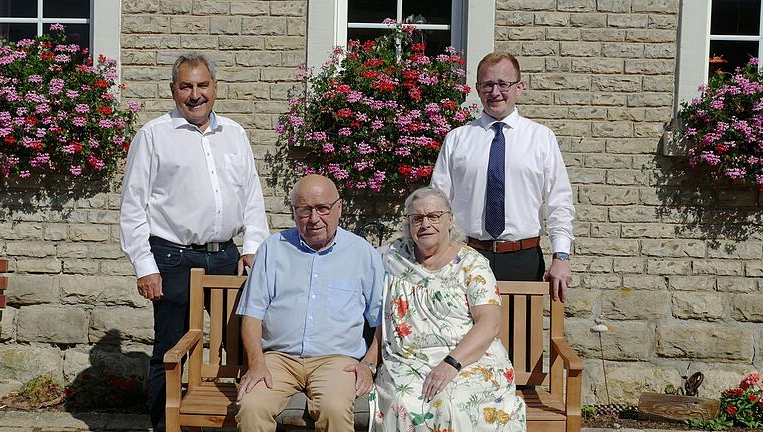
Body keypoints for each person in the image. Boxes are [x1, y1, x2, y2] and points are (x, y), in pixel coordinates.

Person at [119, 53, 269, 432]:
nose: (195, 94)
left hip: (227, 256)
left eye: (202, 85)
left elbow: (251, 197)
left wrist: (252, 247)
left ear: (215, 88)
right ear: (174, 91)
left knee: (238, 346)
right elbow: (133, 208)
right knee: (169, 352)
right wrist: (145, 266)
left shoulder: (234, 134)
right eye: (186, 86)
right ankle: (162, 425)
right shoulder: (153, 136)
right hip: (172, 259)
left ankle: (237, 420)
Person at [365, 186, 526, 432]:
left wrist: (451, 363)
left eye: (434, 216)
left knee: (455, 404)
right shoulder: (391, 259)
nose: (425, 224)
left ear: (450, 219)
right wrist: (368, 362)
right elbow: (381, 318)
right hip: (407, 361)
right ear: (409, 224)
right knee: (403, 403)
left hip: (467, 358)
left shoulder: (472, 264)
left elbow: (489, 322)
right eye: (417, 218)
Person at [235, 174, 384, 432]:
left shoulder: (362, 253)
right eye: (305, 210)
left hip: (337, 360)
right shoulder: (273, 249)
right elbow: (251, 315)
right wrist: (257, 363)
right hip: (278, 359)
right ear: (294, 213)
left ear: (339, 208)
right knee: (252, 406)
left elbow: (383, 319)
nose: (314, 219)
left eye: (323, 208)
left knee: (335, 409)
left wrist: (368, 364)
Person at [431, 52, 575, 302]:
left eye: (503, 84)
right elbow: (437, 203)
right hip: (466, 256)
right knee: (465, 337)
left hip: (522, 260)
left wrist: (561, 257)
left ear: (519, 87)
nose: (495, 92)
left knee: (520, 337)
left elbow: (559, 202)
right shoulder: (457, 139)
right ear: (478, 88)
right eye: (487, 84)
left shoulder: (541, 138)